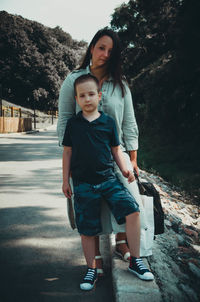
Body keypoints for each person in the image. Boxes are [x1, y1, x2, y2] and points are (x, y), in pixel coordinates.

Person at [57, 27, 149, 275]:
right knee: (90, 209)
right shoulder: (73, 80)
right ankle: (94, 261)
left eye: (111, 50)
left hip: (116, 156)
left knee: (128, 203)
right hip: (85, 161)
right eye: (101, 47)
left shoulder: (121, 85)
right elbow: (65, 119)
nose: (105, 54)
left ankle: (123, 245)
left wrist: (133, 159)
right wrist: (69, 166)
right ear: (91, 48)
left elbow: (129, 122)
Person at [62, 74, 154, 290]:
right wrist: (65, 180)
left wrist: (126, 169)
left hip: (108, 180)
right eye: (82, 96)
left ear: (99, 96)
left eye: (91, 94)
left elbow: (115, 151)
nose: (87, 99)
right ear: (76, 99)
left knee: (133, 211)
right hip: (83, 184)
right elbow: (67, 152)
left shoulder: (108, 123)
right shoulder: (73, 124)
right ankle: (92, 269)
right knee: (87, 227)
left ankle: (135, 261)